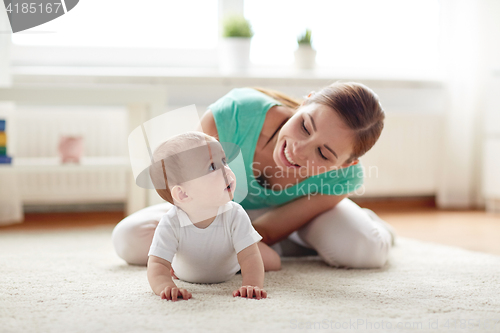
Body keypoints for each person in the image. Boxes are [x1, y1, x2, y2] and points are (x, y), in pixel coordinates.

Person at [112, 81, 396, 271]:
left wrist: (222, 250)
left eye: (323, 154)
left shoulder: (343, 178)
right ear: (304, 103)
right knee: (129, 239)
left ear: (346, 164)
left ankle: (366, 223)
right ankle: (293, 247)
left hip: (298, 218)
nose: (298, 149)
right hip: (216, 209)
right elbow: (191, 193)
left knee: (364, 251)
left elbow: (270, 231)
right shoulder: (234, 115)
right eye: (305, 126)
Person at [146, 132, 279, 301]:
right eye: (212, 167)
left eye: (224, 161)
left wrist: (252, 284)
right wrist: (166, 286)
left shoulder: (235, 214)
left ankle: (260, 248)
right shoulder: (170, 222)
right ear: (183, 194)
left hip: (231, 268)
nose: (227, 170)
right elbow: (157, 264)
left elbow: (250, 256)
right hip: (185, 274)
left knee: (273, 262)